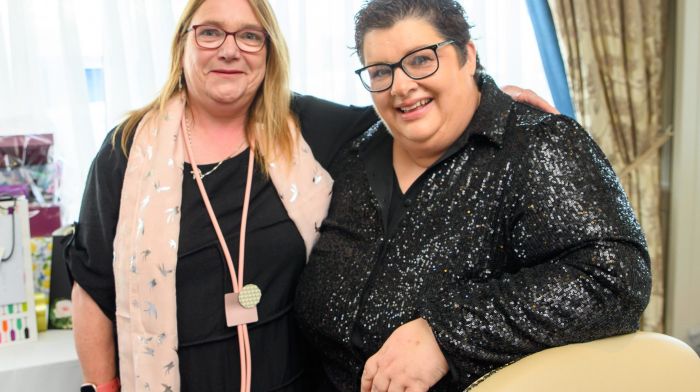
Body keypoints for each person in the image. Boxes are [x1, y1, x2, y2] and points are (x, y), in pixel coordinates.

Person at [66, 0, 552, 391]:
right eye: (210, 31)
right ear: (183, 45)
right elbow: (92, 288)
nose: (229, 50)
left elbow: (408, 111)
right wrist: (102, 386)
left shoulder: (307, 128)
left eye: (249, 36)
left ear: (269, 51)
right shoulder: (124, 151)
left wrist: (485, 96)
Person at [294, 0, 652, 391]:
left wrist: (445, 334)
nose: (401, 86)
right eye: (381, 71)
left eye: (420, 60)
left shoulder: (536, 142)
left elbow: (616, 279)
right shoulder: (354, 153)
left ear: (467, 55)